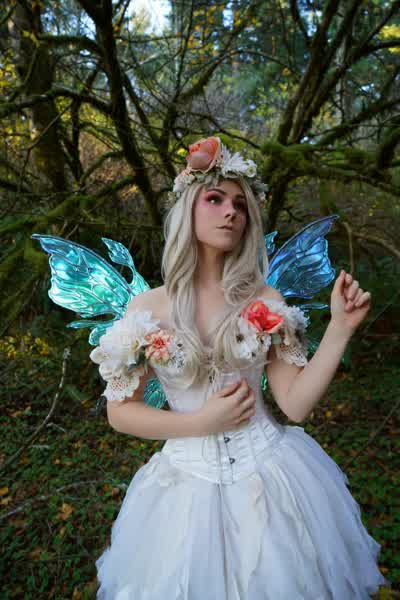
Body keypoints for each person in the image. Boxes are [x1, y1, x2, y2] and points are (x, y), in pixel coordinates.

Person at [90, 136, 390, 599]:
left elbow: (295, 404)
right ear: (188, 208)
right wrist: (200, 422)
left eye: (241, 205)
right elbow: (120, 413)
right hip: (183, 491)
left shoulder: (265, 300)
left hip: (271, 477)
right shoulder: (147, 308)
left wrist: (340, 328)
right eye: (215, 199)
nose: (231, 211)